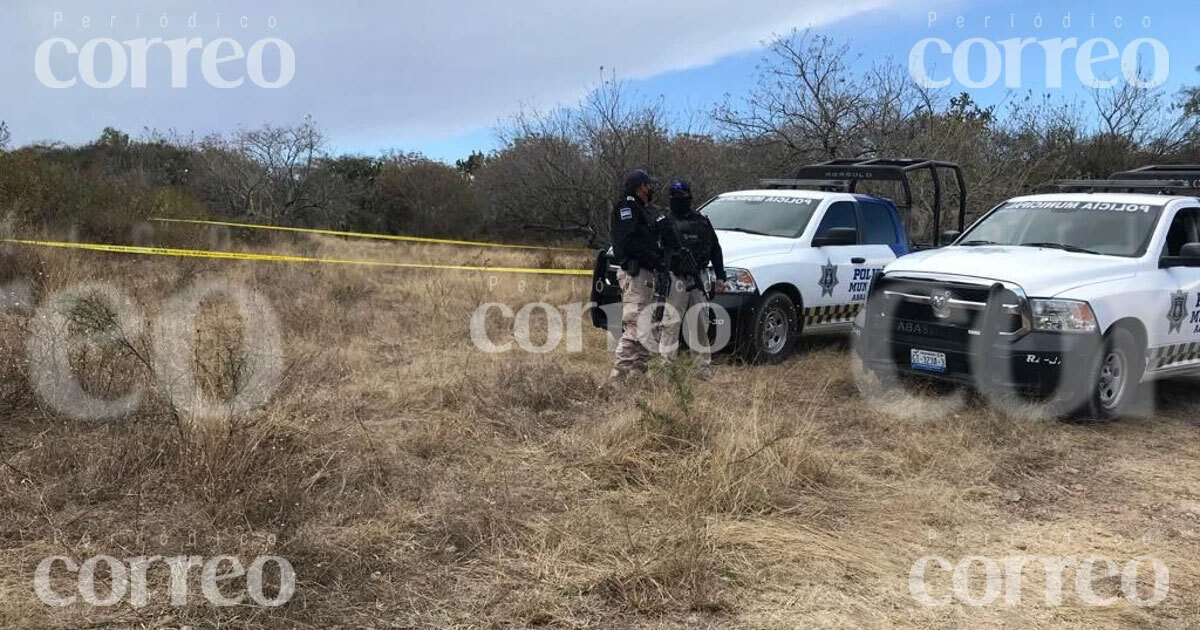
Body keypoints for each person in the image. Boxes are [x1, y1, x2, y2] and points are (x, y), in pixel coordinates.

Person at [657, 180, 726, 381]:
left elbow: (715, 248)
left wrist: (720, 276)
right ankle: (665, 372)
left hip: (699, 276)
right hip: (675, 277)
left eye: (683, 197)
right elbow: (655, 250)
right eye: (676, 198)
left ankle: (702, 372)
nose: (679, 201)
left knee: (700, 325)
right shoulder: (664, 223)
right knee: (670, 325)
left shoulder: (702, 221)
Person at [607, 169, 664, 384]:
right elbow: (629, 242)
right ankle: (616, 381)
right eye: (648, 185)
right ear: (641, 186)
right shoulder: (627, 208)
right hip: (636, 272)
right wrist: (653, 257)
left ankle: (638, 378)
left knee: (649, 326)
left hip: (647, 274)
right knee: (636, 326)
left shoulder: (643, 210)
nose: (651, 189)